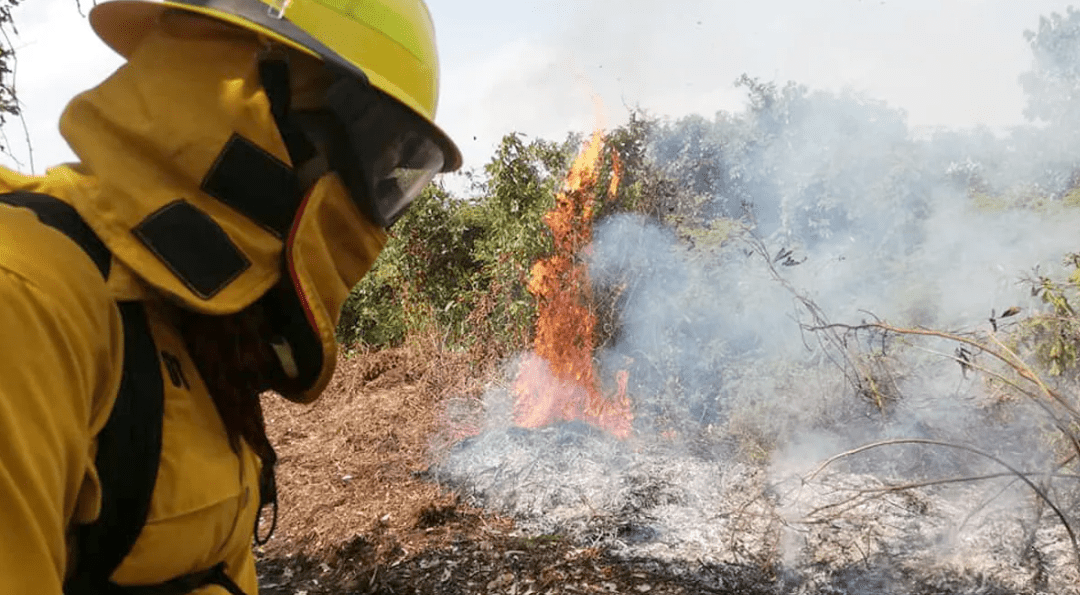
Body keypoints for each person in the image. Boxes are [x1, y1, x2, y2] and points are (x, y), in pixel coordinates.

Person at [0, 0, 461, 592]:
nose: (367, 210)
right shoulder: (27, 298)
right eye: (375, 154)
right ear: (254, 107)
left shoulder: (202, 319)